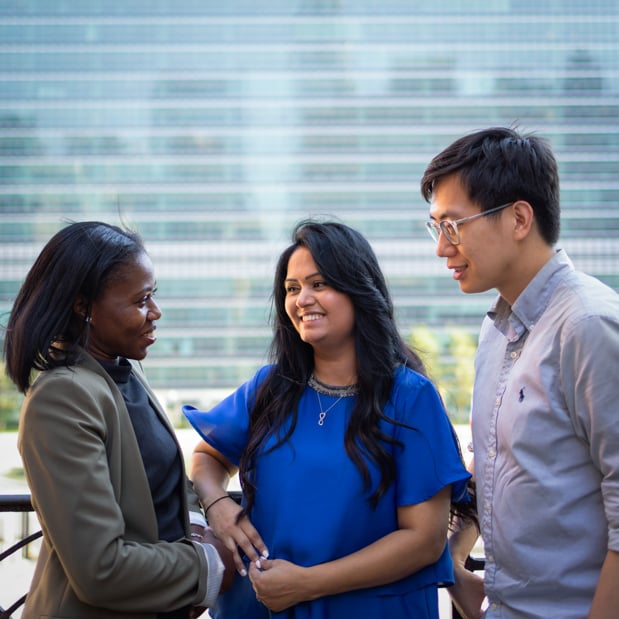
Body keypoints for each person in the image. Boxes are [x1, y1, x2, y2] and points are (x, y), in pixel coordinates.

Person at [183, 219, 473, 619]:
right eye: (292, 288)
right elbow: (206, 458)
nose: (302, 299)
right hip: (259, 607)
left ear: (358, 290)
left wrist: (306, 583)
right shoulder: (271, 386)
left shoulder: (410, 398)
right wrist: (217, 504)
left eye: (319, 284)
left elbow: (424, 539)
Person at [421, 126, 619, 619]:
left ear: (519, 218)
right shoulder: (495, 332)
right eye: (435, 227)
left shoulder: (589, 325)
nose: (442, 248)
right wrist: (455, 563)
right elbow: (498, 466)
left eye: (453, 225)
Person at [3, 221, 234, 619]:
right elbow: (99, 568)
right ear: (83, 306)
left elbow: (159, 483)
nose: (155, 312)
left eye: (153, 296)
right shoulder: (62, 397)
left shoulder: (123, 369)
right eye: (141, 300)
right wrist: (209, 567)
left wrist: (195, 525)